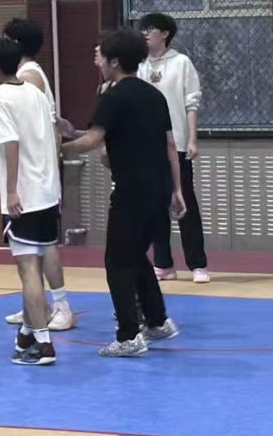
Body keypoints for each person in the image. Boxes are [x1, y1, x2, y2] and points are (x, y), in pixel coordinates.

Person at [61, 28, 185, 357]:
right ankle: (157, 321)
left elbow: (93, 140)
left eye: (101, 56)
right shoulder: (153, 95)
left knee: (117, 262)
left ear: (114, 61)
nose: (97, 62)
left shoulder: (113, 97)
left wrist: (55, 148)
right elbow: (167, 143)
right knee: (134, 256)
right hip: (158, 189)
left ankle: (128, 336)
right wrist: (177, 189)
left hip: (132, 191)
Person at [0, 38, 63, 366]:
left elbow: (12, 143)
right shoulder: (36, 92)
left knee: (28, 270)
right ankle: (28, 331)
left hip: (25, 196)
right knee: (34, 267)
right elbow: (44, 137)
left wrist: (11, 190)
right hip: (48, 191)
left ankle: (43, 344)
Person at [0, 18, 74, 331]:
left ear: (14, 44)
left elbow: (31, 127)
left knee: (43, 243)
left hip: (38, 169)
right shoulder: (28, 74)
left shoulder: (28, 76)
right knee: (31, 247)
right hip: (33, 163)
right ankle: (35, 306)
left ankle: (61, 306)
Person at [137, 13, 208, 284]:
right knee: (155, 205)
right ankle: (163, 264)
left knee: (184, 201)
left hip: (176, 143)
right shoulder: (139, 65)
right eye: (142, 29)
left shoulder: (182, 63)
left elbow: (191, 104)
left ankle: (197, 264)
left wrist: (192, 140)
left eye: (150, 29)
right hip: (147, 145)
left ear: (165, 34)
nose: (145, 34)